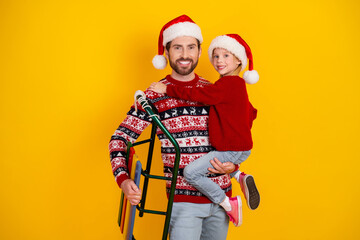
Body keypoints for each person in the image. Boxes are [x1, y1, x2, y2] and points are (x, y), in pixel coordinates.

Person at [109, 15, 237, 240]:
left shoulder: (215, 92)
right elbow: (119, 139)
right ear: (166, 53)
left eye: (190, 47)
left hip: (222, 200)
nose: (185, 55)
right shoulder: (153, 96)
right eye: (177, 47)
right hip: (183, 203)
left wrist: (232, 164)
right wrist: (124, 179)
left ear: (199, 51)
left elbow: (237, 136)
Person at [149, 34, 261, 227]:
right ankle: (239, 175)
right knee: (218, 161)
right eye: (216, 56)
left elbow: (198, 94)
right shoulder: (239, 86)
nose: (219, 61)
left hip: (231, 150)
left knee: (191, 173)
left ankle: (228, 203)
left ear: (238, 60)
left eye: (226, 56)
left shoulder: (225, 85)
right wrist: (237, 132)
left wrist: (167, 90)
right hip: (241, 150)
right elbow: (252, 112)